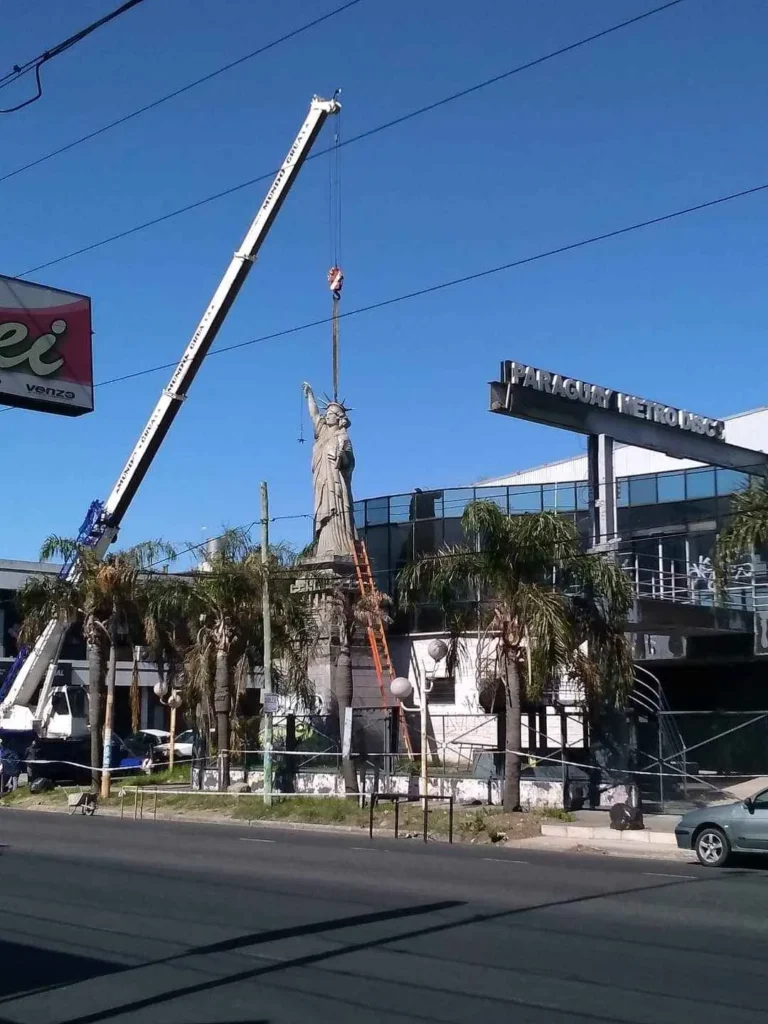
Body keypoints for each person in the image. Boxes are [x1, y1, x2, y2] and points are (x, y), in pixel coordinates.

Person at [302, 381, 356, 558]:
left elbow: (350, 463)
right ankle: (324, 548)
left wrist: (342, 457)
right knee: (323, 512)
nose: (327, 416)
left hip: (336, 484)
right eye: (327, 413)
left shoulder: (343, 438)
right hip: (321, 482)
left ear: (339, 418)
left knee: (338, 512)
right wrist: (310, 394)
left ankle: (341, 547)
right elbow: (314, 414)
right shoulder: (322, 432)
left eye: (331, 414)